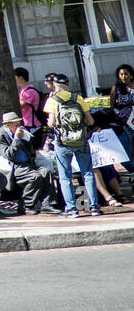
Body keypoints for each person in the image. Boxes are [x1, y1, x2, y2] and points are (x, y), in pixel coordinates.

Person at [44, 74, 101, 218]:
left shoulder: (52, 100)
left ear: (55, 85)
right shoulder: (78, 98)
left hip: (63, 143)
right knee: (87, 173)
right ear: (68, 85)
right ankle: (94, 207)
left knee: (65, 177)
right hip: (81, 141)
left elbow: (51, 124)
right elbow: (90, 121)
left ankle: (72, 209)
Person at [0, 112, 54, 215]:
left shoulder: (19, 131)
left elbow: (30, 148)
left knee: (46, 172)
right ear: (7, 124)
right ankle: (26, 205)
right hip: (11, 166)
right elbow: (9, 155)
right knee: (34, 177)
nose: (18, 127)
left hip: (26, 164)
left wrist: (26, 138)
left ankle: (47, 204)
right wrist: (16, 139)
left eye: (18, 124)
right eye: (15, 125)